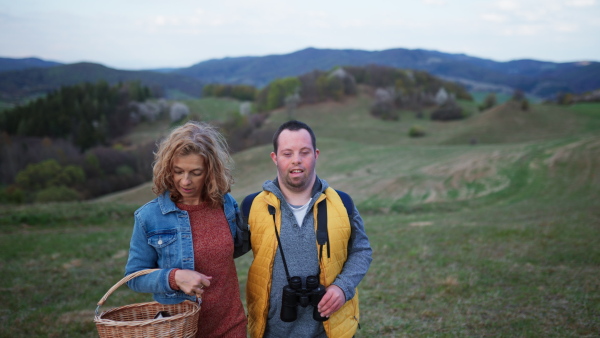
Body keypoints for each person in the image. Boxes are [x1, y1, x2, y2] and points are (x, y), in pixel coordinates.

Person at [243, 120, 372, 338]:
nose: (296, 160)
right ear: (275, 158)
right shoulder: (252, 205)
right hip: (271, 331)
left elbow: (362, 250)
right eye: (287, 153)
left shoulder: (342, 203)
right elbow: (223, 251)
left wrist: (343, 287)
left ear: (316, 154)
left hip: (330, 329)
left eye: (304, 152)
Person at [125, 121, 248, 338]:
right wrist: (174, 278)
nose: (185, 181)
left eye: (195, 172)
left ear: (210, 171)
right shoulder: (149, 217)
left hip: (231, 325)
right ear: (167, 168)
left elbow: (236, 247)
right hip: (180, 330)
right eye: (178, 171)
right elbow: (134, 277)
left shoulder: (226, 204)